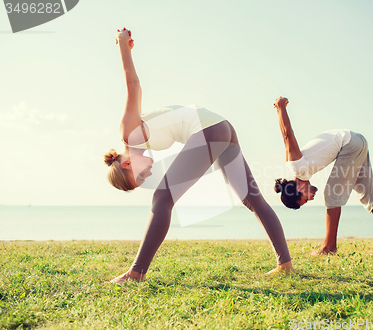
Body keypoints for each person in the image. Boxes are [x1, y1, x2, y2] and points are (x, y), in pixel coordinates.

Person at [104, 28, 294, 282]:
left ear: (127, 162)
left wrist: (123, 46)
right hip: (222, 128)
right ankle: (286, 265)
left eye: (140, 175)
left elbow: (133, 85)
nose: (148, 173)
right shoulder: (143, 140)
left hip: (210, 130)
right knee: (252, 199)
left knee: (162, 198)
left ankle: (136, 273)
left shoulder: (129, 131)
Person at [272, 96, 373, 255]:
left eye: (306, 199)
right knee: (367, 193)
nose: (311, 198)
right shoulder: (301, 169)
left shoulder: (296, 166)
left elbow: (287, 137)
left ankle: (329, 247)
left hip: (350, 144)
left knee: (332, 194)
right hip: (355, 142)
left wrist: (281, 108)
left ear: (298, 188)